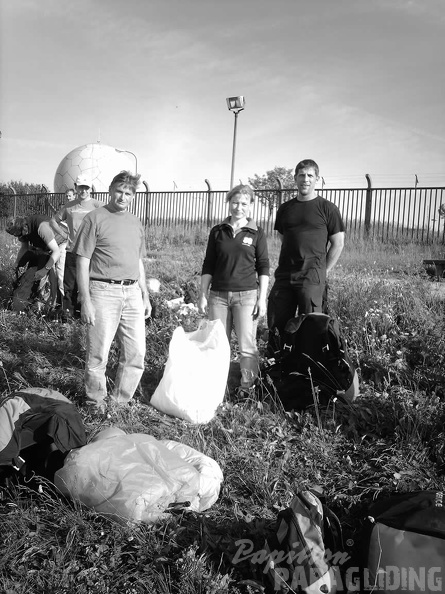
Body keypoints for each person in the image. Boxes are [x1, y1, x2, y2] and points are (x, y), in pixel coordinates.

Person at [73, 170, 151, 410]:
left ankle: (120, 401)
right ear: (110, 191)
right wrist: (85, 299)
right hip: (103, 291)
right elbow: (82, 260)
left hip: (132, 293)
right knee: (99, 353)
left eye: (128, 193)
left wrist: (145, 294)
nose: (123, 196)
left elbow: (138, 261)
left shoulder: (135, 222)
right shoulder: (95, 218)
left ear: (133, 196)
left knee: (136, 352)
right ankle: (95, 401)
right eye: (119, 191)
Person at [267, 158, 345, 352]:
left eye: (310, 175)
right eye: (301, 175)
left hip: (312, 278)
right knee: (277, 324)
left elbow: (338, 243)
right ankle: (278, 366)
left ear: (317, 178)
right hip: (285, 276)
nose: (305, 179)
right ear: (295, 178)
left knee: (311, 328)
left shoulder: (327, 209)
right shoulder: (285, 209)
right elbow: (284, 237)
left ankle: (308, 372)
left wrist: (321, 271)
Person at [198, 184, 270, 391]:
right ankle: (216, 388)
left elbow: (263, 266)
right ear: (229, 203)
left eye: (244, 203)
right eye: (235, 202)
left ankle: (246, 389)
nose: (239, 207)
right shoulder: (218, 231)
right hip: (218, 296)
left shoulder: (256, 233)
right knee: (218, 344)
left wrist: (261, 298)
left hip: (246, 297)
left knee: (247, 347)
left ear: (251, 206)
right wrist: (202, 295)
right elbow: (208, 264)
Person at [51, 175, 102, 321]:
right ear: (76, 187)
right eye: (81, 187)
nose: (84, 190)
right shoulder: (69, 206)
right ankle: (68, 316)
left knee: (91, 285)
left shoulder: (98, 206)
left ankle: (91, 316)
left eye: (86, 187)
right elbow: (54, 221)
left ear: (90, 188)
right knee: (70, 286)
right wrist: (64, 234)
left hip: (92, 253)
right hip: (73, 251)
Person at [6, 214, 64, 310]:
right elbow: (24, 247)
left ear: (24, 229)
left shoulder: (42, 227)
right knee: (40, 277)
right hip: (45, 247)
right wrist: (16, 263)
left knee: (59, 276)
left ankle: (61, 308)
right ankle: (38, 302)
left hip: (60, 244)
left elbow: (56, 252)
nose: (19, 238)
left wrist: (45, 270)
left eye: (20, 235)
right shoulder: (22, 230)